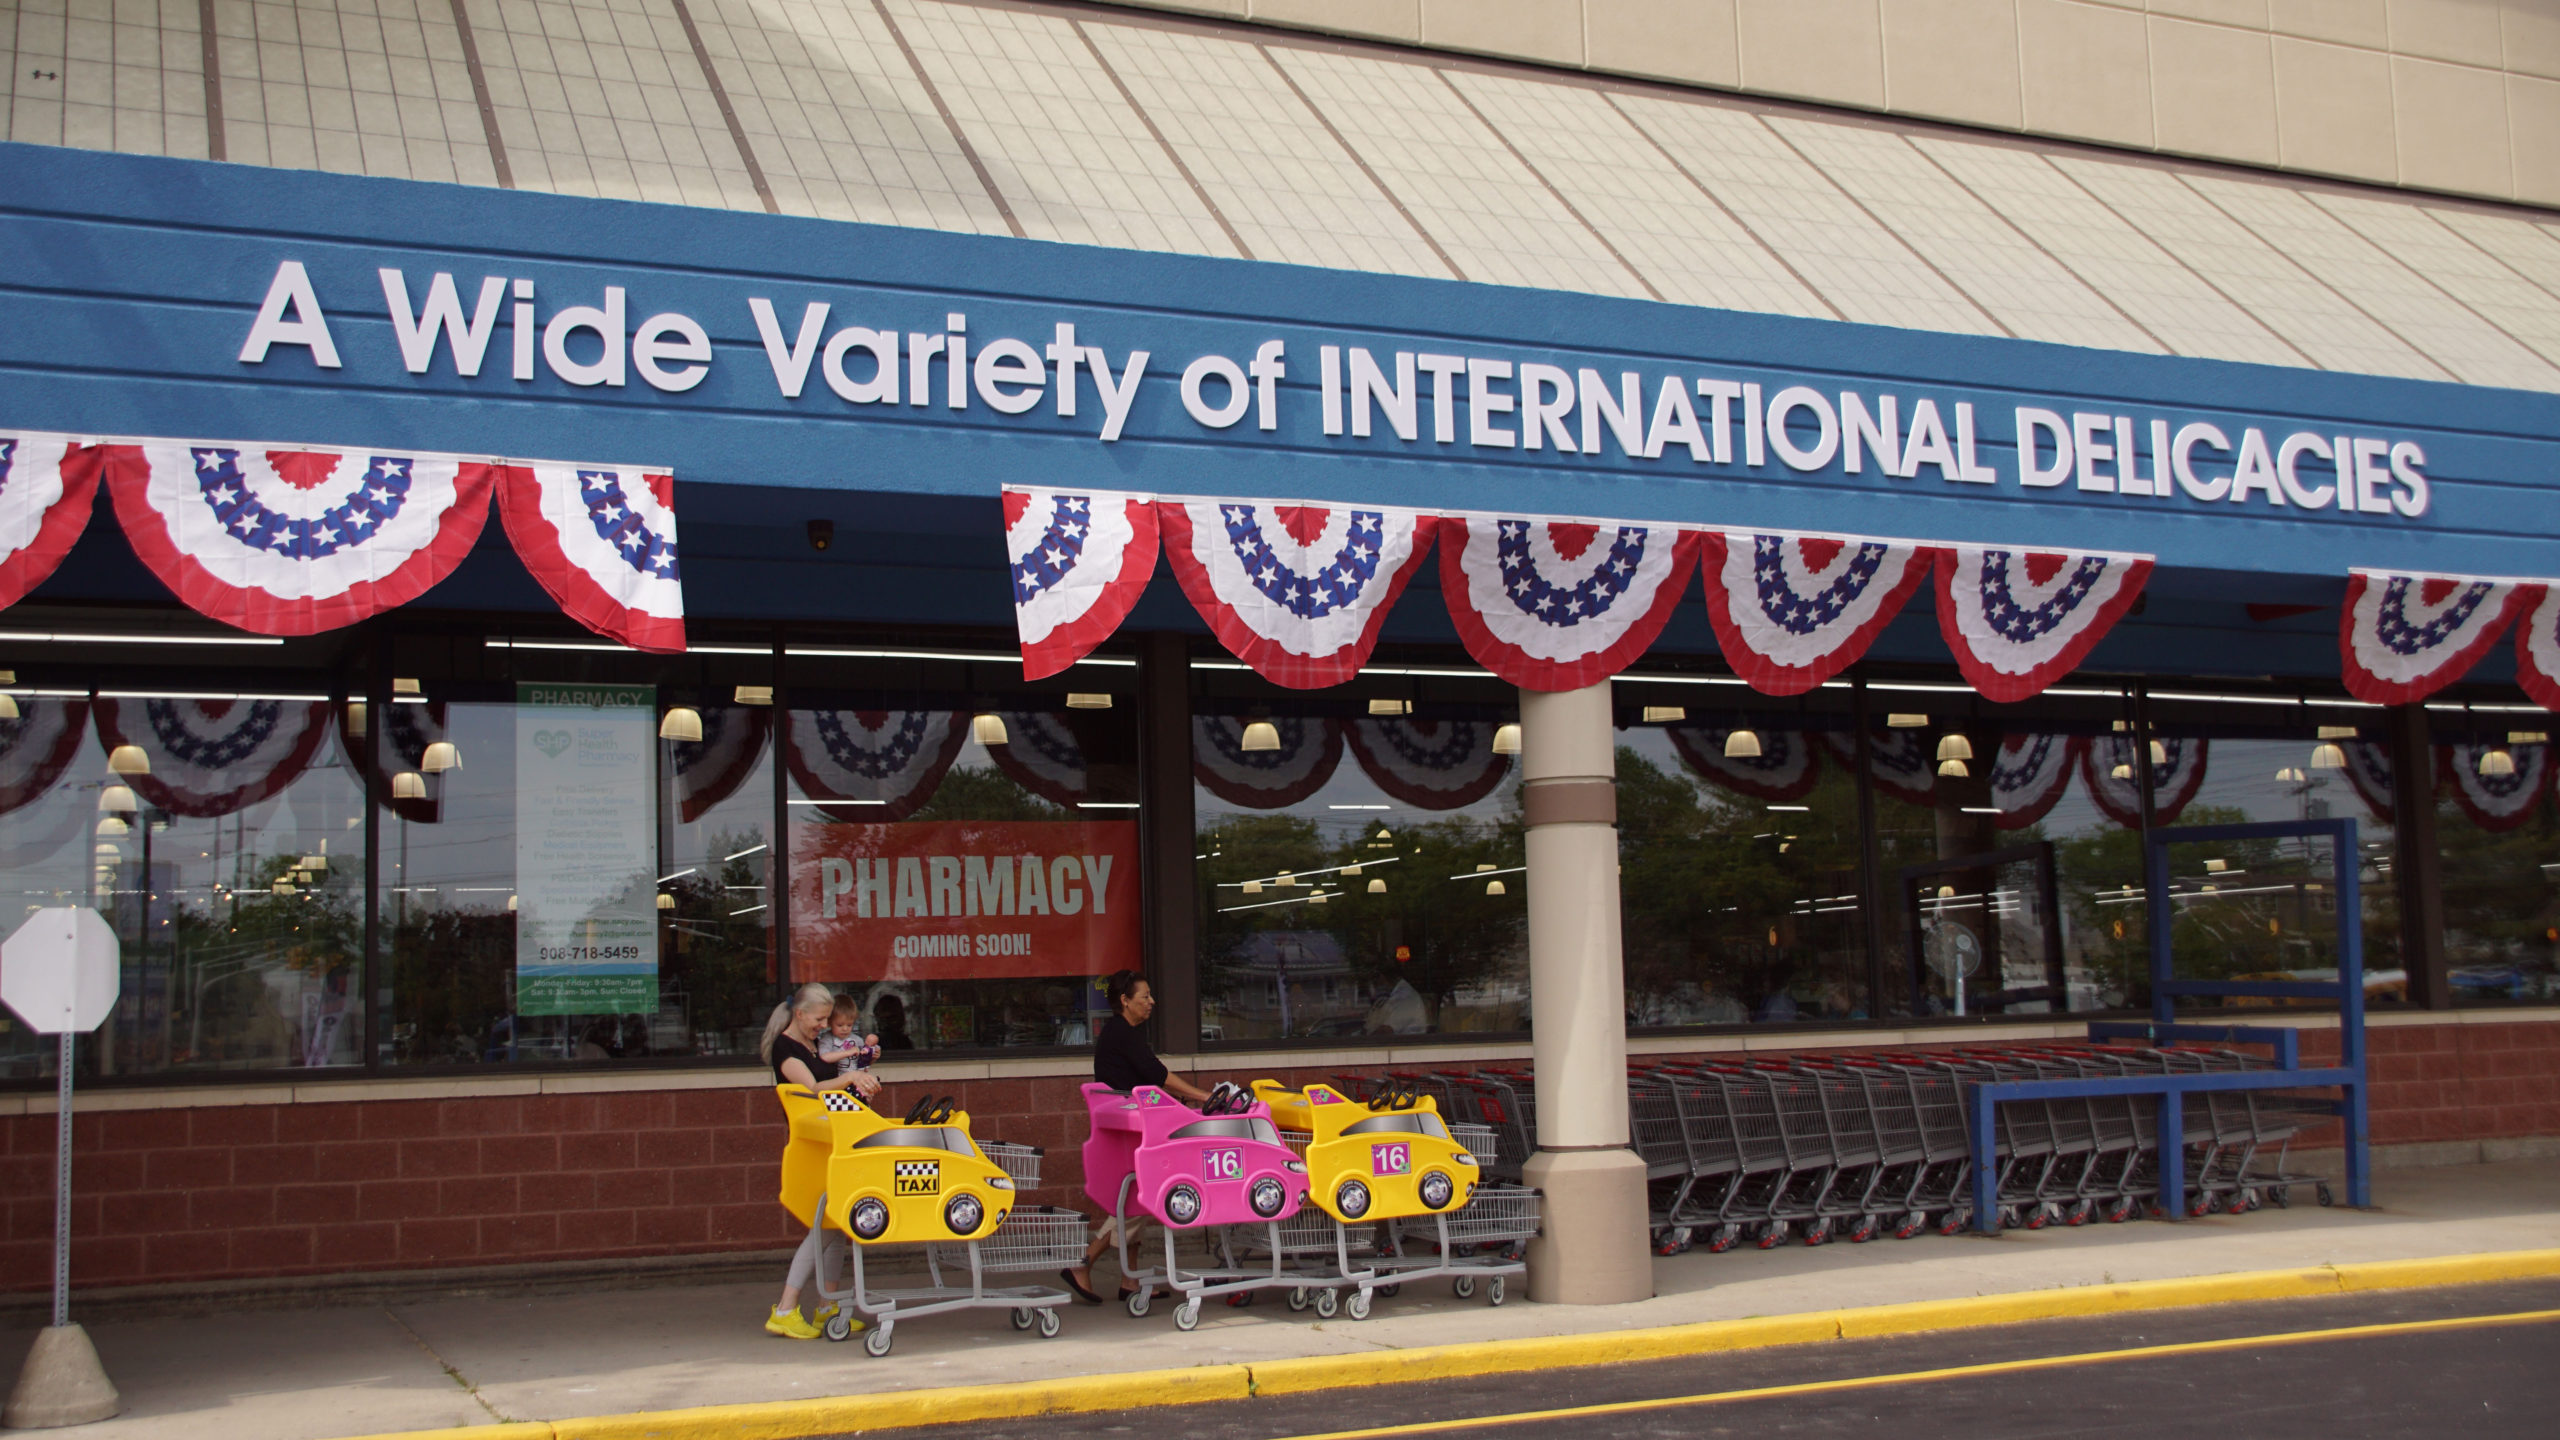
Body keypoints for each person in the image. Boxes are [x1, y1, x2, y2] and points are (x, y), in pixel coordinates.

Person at [1061, 971, 1213, 1305]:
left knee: (1135, 1197)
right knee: (1138, 1198)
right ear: (1125, 1001)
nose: (1152, 1002)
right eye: (1144, 996)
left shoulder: (1123, 1033)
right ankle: (1083, 1263)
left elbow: (1150, 1079)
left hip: (1128, 1127)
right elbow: (1158, 1075)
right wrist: (1202, 1097)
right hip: (1126, 1131)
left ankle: (1129, 1281)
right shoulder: (1122, 1034)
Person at [760, 983, 884, 1340]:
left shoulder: (815, 1044)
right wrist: (851, 1076)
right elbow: (814, 1088)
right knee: (824, 1226)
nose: (824, 1025)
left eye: (827, 1019)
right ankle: (785, 1309)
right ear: (799, 1014)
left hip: (832, 1139)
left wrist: (861, 1064)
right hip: (813, 1146)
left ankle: (827, 1306)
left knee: (836, 1224)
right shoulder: (786, 1049)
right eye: (818, 1019)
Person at [816, 993, 879, 1077]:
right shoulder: (827, 1038)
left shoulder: (857, 1040)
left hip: (856, 1078)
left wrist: (872, 1057)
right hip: (836, 1079)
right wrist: (848, 1052)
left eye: (849, 1025)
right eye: (840, 1025)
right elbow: (824, 1057)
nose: (845, 1029)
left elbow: (863, 1062)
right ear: (830, 1022)